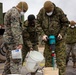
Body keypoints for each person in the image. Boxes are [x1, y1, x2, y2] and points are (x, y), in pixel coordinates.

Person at [36, 1, 69, 75]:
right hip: (48, 41)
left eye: (50, 11)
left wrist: (61, 34)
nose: (48, 13)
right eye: (47, 12)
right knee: (48, 61)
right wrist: (42, 35)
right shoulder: (42, 11)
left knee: (61, 61)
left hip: (59, 41)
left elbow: (66, 23)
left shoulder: (59, 11)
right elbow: (37, 23)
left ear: (53, 8)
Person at [2, 1, 28, 75]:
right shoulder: (15, 13)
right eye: (24, 11)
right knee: (15, 61)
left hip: (7, 39)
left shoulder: (10, 11)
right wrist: (19, 42)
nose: (23, 13)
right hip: (12, 40)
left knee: (9, 60)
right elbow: (15, 29)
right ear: (22, 9)